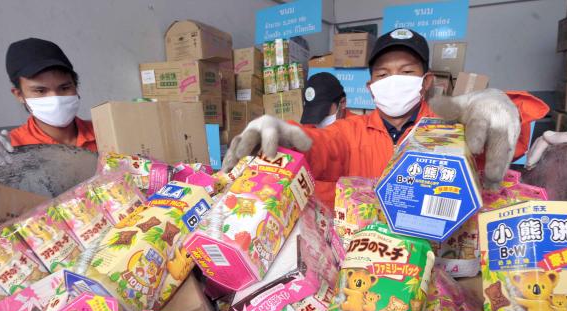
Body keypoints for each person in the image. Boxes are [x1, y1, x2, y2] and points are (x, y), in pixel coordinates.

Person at [223, 28, 550, 208]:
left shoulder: (449, 128)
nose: (393, 79)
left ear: (426, 81)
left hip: (436, 267)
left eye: (406, 72)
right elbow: (316, 146)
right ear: (371, 86)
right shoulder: (350, 132)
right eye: (383, 73)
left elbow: (505, 144)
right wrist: (281, 131)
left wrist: (501, 105)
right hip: (367, 260)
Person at [0, 38, 96, 165]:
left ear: (76, 87)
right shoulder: (9, 149)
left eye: (64, 88)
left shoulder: (105, 131)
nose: (55, 98)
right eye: (40, 91)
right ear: (19, 95)